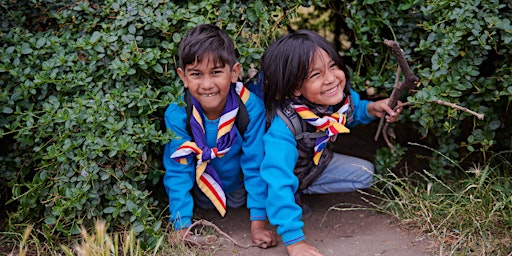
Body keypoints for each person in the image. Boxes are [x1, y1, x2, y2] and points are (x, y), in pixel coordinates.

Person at [259, 30, 402, 256]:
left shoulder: (336, 100)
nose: (331, 78)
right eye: (316, 74)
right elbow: (277, 180)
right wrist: (295, 243)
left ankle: (301, 191)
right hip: (283, 176)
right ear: (295, 88)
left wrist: (372, 109)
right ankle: (287, 202)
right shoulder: (283, 129)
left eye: (333, 65)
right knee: (280, 188)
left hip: (314, 166)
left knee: (364, 173)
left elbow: (353, 111)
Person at [162, 24, 277, 248]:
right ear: (183, 77)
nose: (207, 84)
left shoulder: (250, 108)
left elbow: (255, 164)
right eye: (196, 74)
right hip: (202, 190)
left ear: (234, 73)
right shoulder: (178, 113)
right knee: (205, 205)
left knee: (239, 199)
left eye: (216, 72)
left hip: (238, 188)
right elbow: (178, 169)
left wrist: (259, 225)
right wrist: (181, 224)